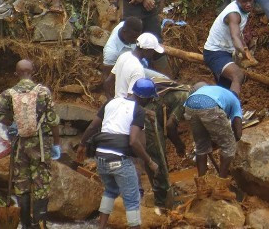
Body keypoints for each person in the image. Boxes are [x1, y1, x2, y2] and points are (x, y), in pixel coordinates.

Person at [78, 78, 160, 229]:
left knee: (110, 190)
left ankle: (101, 227)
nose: (149, 101)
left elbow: (92, 127)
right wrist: (150, 162)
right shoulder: (138, 110)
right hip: (119, 159)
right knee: (132, 198)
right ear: (144, 97)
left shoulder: (111, 102)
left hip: (101, 157)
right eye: (149, 98)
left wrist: (82, 144)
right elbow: (134, 141)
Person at [0, 60, 61, 229]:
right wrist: (57, 144)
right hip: (41, 145)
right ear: (33, 71)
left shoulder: (9, 93)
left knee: (21, 184)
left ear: (16, 73)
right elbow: (53, 120)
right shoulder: (43, 92)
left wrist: (11, 123)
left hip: (19, 145)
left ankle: (26, 225)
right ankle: (39, 224)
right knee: (41, 184)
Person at [139, 76, 191, 208]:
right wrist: (179, 145)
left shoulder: (180, 89)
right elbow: (170, 125)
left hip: (142, 117)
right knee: (158, 159)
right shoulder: (186, 97)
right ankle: (164, 202)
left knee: (152, 159)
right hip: (149, 120)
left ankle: (161, 194)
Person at [203, 0, 257, 94]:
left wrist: (245, 47)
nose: (248, 4)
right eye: (244, 1)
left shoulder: (243, 10)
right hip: (215, 53)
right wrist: (243, 52)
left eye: (250, 0)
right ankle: (235, 109)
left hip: (225, 52)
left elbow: (239, 33)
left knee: (225, 88)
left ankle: (223, 109)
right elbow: (235, 36)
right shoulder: (233, 14)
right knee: (237, 75)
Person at [184, 82, 243, 178]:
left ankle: (202, 184)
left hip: (189, 104)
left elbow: (209, 127)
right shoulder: (235, 101)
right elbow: (238, 133)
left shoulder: (217, 91)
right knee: (229, 146)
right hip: (209, 104)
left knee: (201, 147)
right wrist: (232, 141)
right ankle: (221, 182)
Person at [105, 33, 165, 99]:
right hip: (125, 107)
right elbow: (131, 98)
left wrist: (110, 100)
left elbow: (108, 82)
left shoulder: (124, 55)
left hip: (117, 100)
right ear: (146, 50)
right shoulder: (138, 69)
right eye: (153, 51)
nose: (154, 53)